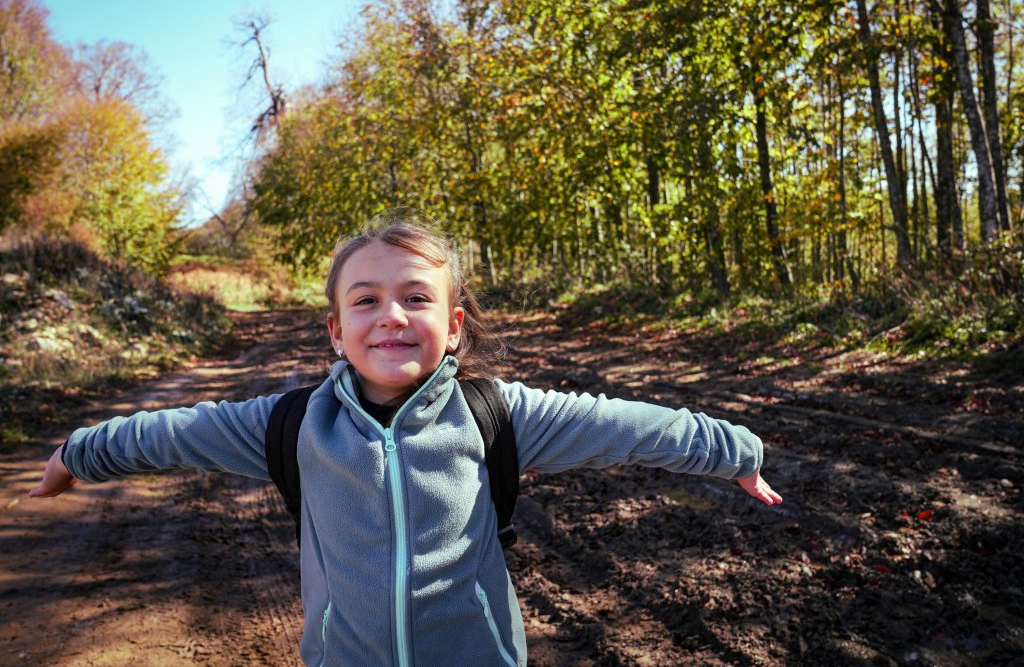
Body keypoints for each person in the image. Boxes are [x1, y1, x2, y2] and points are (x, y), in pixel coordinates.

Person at [30, 213, 782, 667]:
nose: (391, 313)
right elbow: (175, 432)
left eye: (417, 297)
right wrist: (79, 451)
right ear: (336, 329)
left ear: (453, 325)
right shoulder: (292, 425)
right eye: (367, 299)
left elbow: (628, 424)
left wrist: (735, 450)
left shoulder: (498, 413)